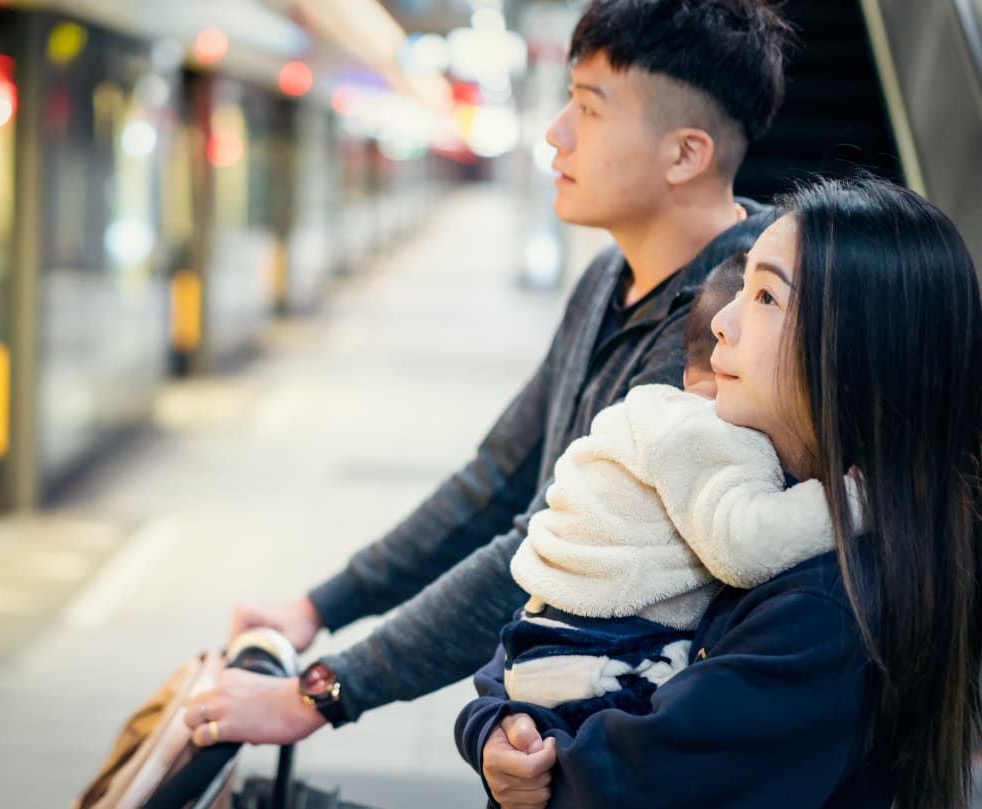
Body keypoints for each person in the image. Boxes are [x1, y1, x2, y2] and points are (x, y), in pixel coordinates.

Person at [183, 0, 793, 749]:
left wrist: (322, 692)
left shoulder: (730, 330)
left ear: (684, 154)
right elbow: (494, 479)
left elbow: (543, 551)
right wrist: (319, 605)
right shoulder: (608, 277)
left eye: (589, 109)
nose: (555, 133)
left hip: (637, 747)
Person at [475, 176, 982, 808]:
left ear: (860, 349)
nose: (721, 321)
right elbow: (554, 610)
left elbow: (614, 788)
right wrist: (495, 722)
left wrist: (524, 753)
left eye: (767, 296)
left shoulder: (825, 609)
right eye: (741, 289)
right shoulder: (745, 494)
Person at [456, 254, 852, 751]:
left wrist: (487, 720)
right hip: (610, 663)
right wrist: (854, 499)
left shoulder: (642, 413)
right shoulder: (716, 432)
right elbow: (746, 542)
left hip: (535, 648)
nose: (730, 325)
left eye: (766, 298)